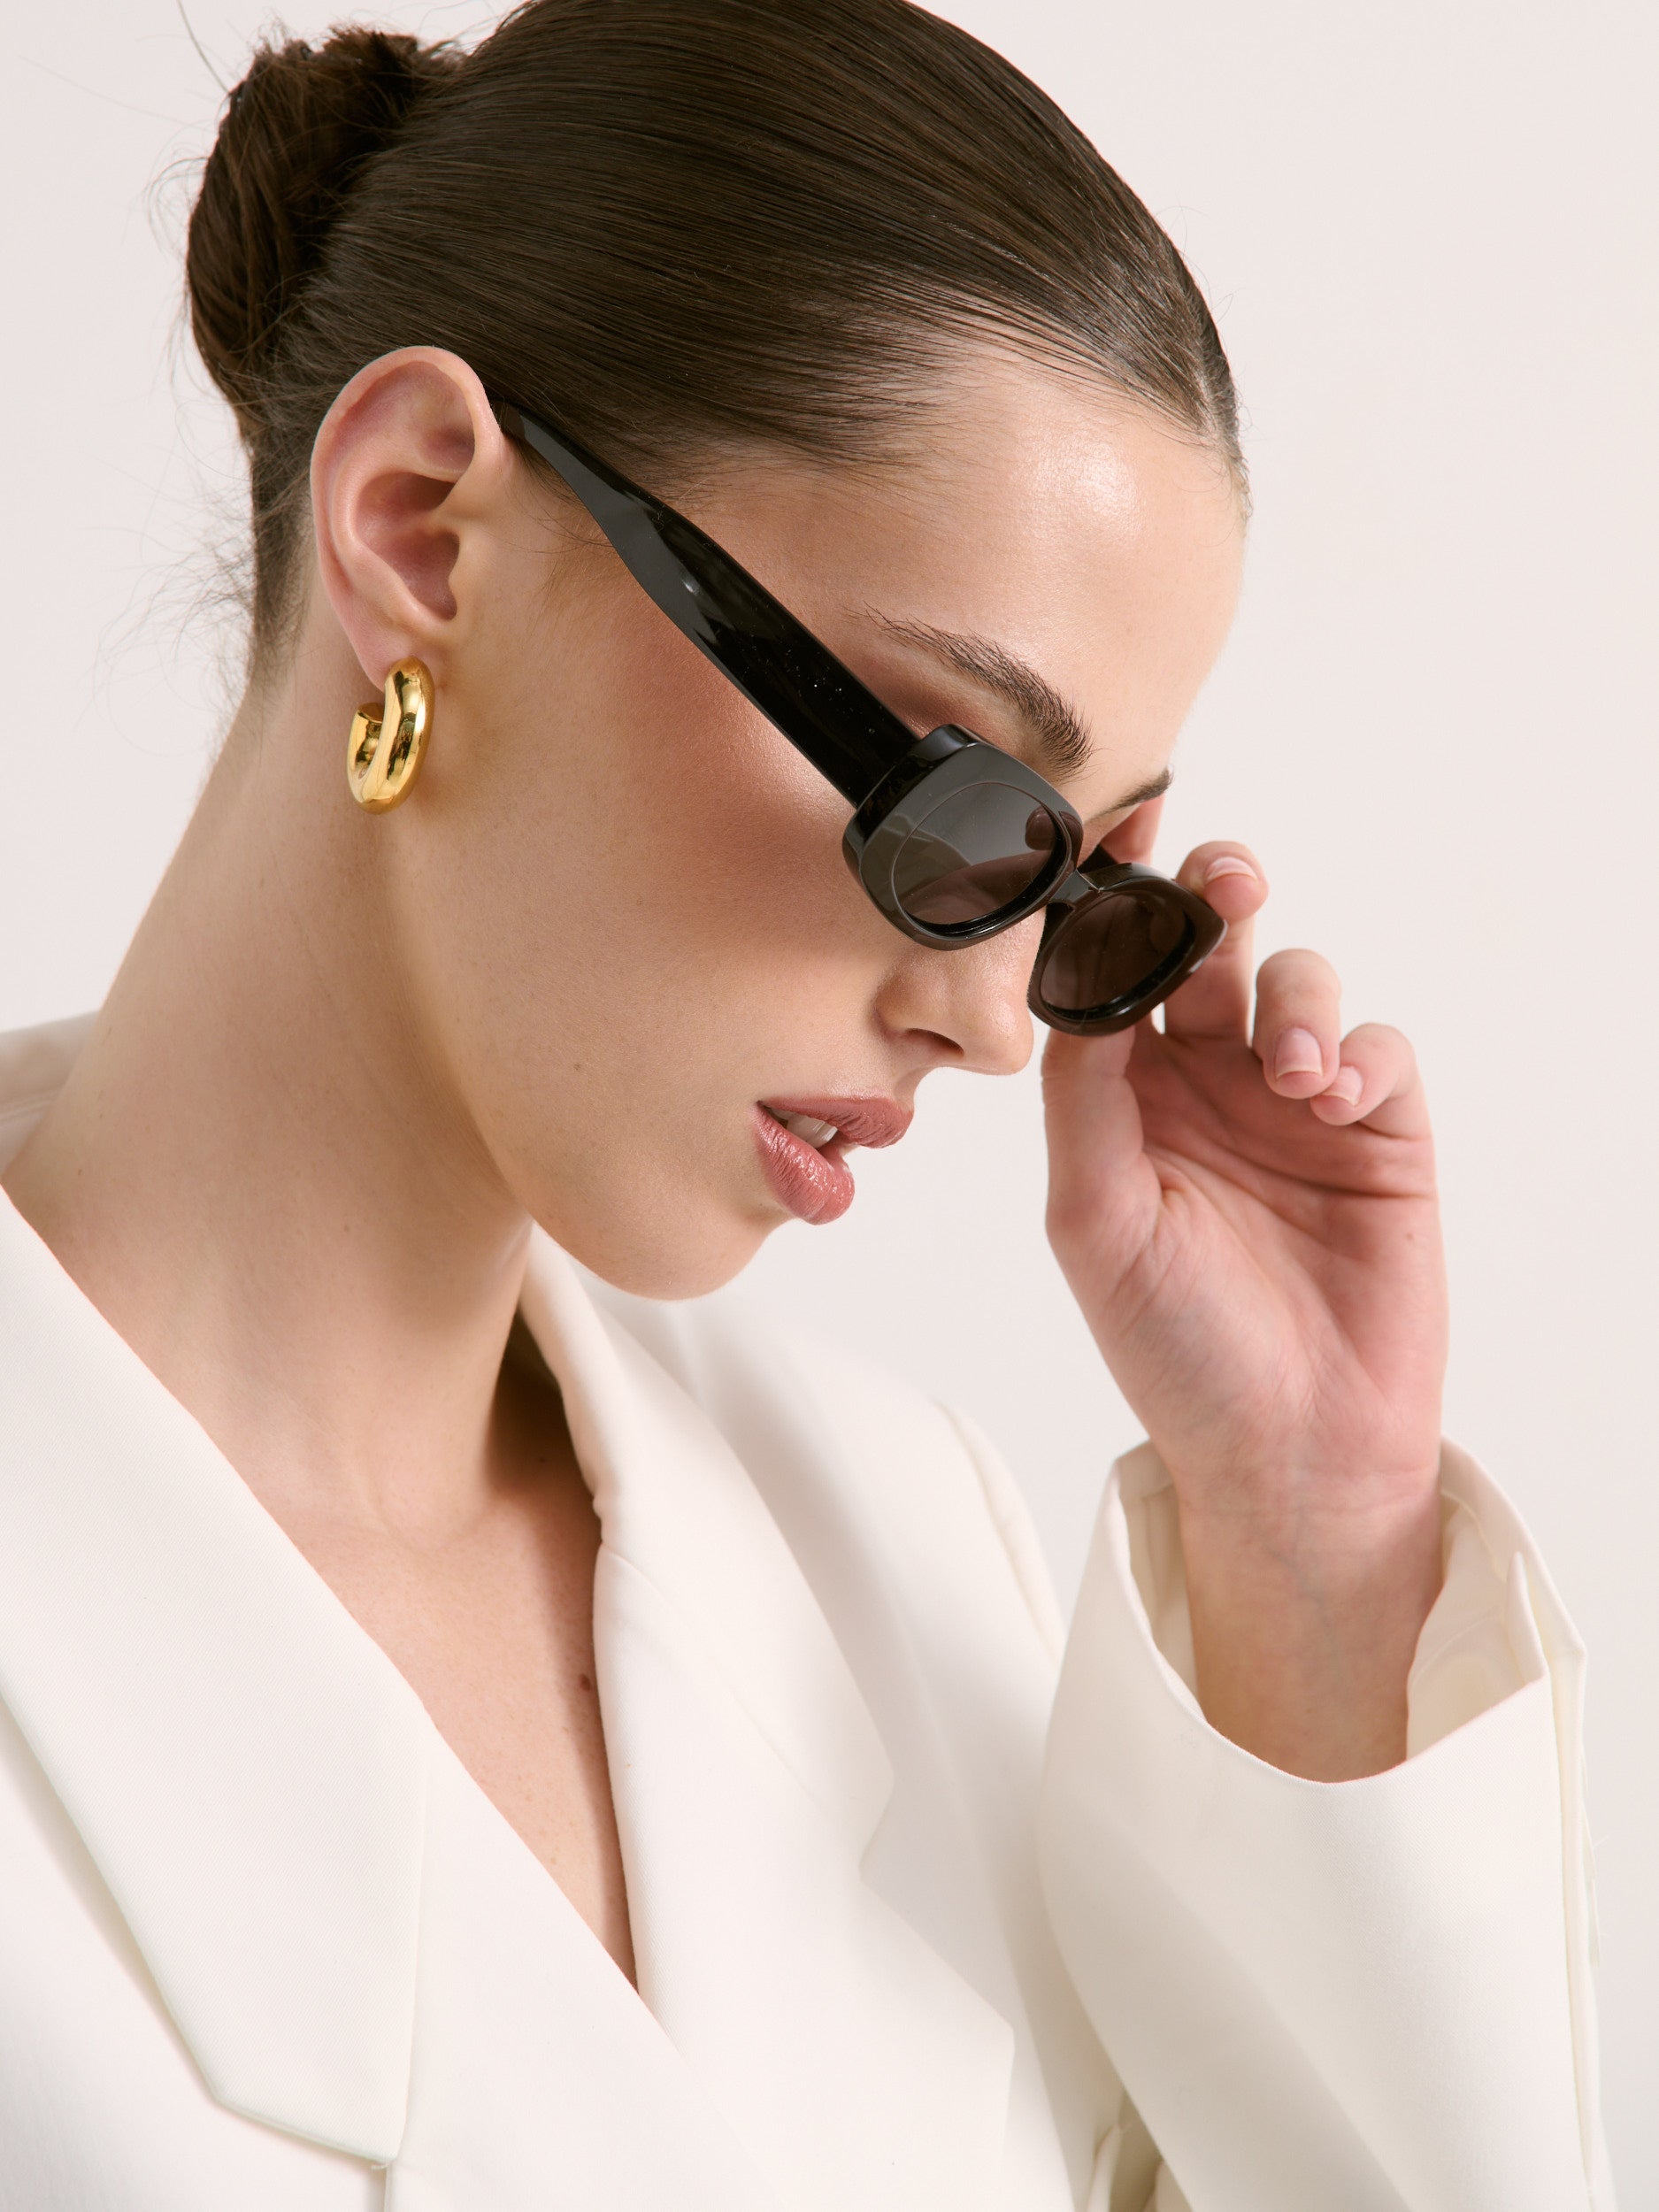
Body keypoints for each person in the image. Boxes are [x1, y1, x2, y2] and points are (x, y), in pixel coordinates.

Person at [0, 3, 1609, 2206]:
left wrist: (1312, 1548)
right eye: (954, 802)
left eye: (1085, 890)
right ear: (422, 534)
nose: (998, 1025)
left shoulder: (895, 1553)